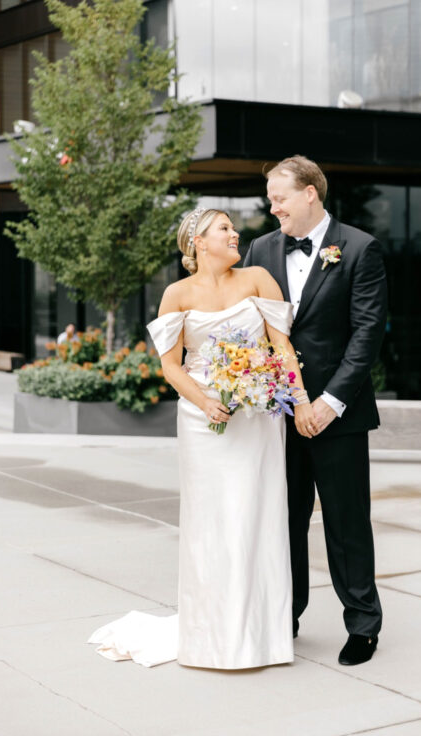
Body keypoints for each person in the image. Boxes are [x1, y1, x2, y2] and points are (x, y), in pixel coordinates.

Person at [89, 207, 313, 669]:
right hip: (202, 419)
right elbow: (171, 365)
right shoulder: (176, 293)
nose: (236, 234)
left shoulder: (258, 280)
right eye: (225, 229)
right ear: (199, 243)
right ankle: (211, 634)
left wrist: (299, 398)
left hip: (257, 419)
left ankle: (262, 636)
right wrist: (206, 402)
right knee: (213, 524)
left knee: (258, 517)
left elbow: (281, 347)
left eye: (233, 227)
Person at [243, 155, 387, 666]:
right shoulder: (260, 249)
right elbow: (254, 328)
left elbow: (367, 334)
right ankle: (288, 614)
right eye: (269, 196)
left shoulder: (360, 248)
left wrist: (328, 403)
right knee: (284, 518)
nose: (271, 205)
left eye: (279, 196)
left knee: (347, 522)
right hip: (279, 415)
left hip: (339, 413)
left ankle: (363, 625)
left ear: (310, 193)